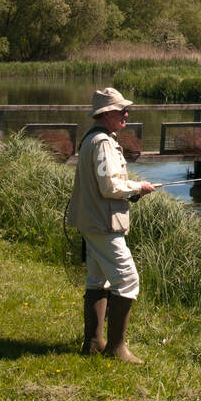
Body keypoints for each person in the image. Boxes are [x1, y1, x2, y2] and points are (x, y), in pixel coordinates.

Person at [66, 87, 156, 363]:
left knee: (97, 279)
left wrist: (134, 189)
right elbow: (110, 186)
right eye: (121, 110)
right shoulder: (103, 142)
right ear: (106, 114)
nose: (126, 114)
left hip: (93, 221)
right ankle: (117, 349)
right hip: (103, 223)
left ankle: (93, 343)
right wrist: (137, 187)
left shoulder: (93, 138)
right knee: (127, 279)